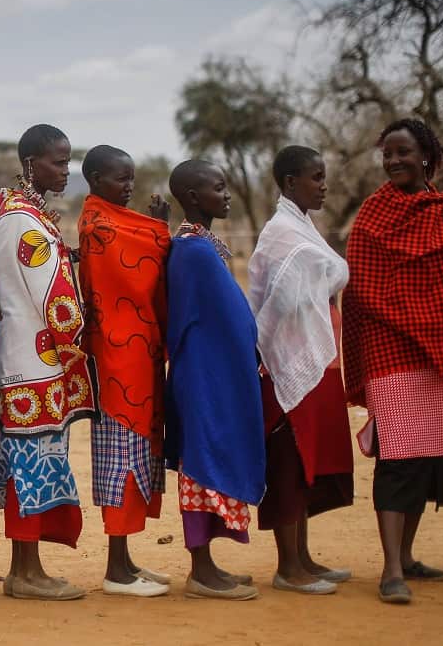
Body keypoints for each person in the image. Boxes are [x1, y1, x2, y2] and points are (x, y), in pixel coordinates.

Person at [342, 118, 443, 605]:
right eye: (388, 153)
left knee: (426, 459)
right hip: (391, 353)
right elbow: (362, 288)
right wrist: (406, 321)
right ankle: (391, 570)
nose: (395, 160)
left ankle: (409, 555)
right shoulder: (374, 214)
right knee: (398, 458)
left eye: (403, 152)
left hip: (439, 355)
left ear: (426, 156)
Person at [0, 125, 97, 601]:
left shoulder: (14, 220)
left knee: (24, 465)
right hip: (38, 367)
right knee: (31, 467)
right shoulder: (27, 226)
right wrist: (82, 339)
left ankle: (23, 569)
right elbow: (58, 302)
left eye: (67, 162)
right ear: (30, 164)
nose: (64, 171)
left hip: (19, 363)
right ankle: (26, 574)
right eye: (56, 162)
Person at [247, 146, 354, 595]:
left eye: (323, 176)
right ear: (290, 183)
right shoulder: (281, 234)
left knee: (308, 463)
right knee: (289, 464)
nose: (324, 185)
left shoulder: (300, 226)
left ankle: (305, 559)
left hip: (319, 363)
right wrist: (316, 307)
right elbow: (283, 300)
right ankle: (288, 568)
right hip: (290, 365)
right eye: (315, 177)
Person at [163, 160, 264, 601]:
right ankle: (201, 572)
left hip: (217, 375)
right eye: (217, 188)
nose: (226, 195)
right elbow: (188, 320)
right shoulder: (192, 251)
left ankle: (209, 565)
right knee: (201, 466)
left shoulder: (204, 245)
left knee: (212, 458)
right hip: (203, 378)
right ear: (191, 197)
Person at [76, 146, 173, 597]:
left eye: (131, 177)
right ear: (95, 178)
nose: (128, 186)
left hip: (137, 355)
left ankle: (127, 560)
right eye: (120, 179)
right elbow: (139, 260)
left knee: (139, 455)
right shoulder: (97, 224)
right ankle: (116, 569)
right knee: (121, 457)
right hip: (117, 362)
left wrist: (154, 227)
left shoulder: (115, 220)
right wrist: (160, 229)